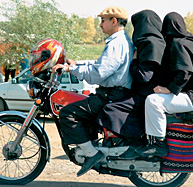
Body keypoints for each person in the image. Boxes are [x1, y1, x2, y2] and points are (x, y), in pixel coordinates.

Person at [52, 6, 134, 177]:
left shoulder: (116, 44)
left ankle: (91, 153)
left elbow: (98, 74)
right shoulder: (119, 41)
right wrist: (76, 65)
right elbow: (99, 64)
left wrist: (70, 70)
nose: (100, 25)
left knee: (67, 113)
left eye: (103, 20)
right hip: (112, 94)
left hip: (110, 96)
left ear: (114, 21)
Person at [135, 12, 193, 158]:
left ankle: (159, 144)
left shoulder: (178, 44)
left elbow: (185, 72)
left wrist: (169, 89)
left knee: (153, 101)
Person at [97, 10, 166, 153]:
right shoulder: (156, 42)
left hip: (145, 94)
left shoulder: (150, 44)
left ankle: (132, 144)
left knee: (111, 110)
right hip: (146, 92)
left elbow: (144, 76)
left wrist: (133, 62)